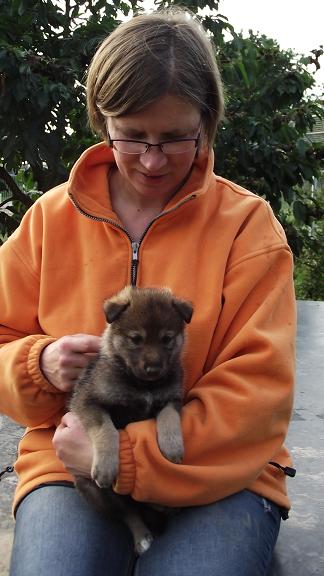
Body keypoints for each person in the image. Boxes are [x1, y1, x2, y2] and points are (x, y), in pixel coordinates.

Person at [0, 8, 296, 576]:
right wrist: (36, 365)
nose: (152, 160)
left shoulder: (248, 229)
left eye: (175, 137)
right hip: (71, 463)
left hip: (223, 475)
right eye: (132, 137)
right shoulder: (49, 221)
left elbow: (260, 396)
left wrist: (136, 458)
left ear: (206, 123)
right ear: (101, 120)